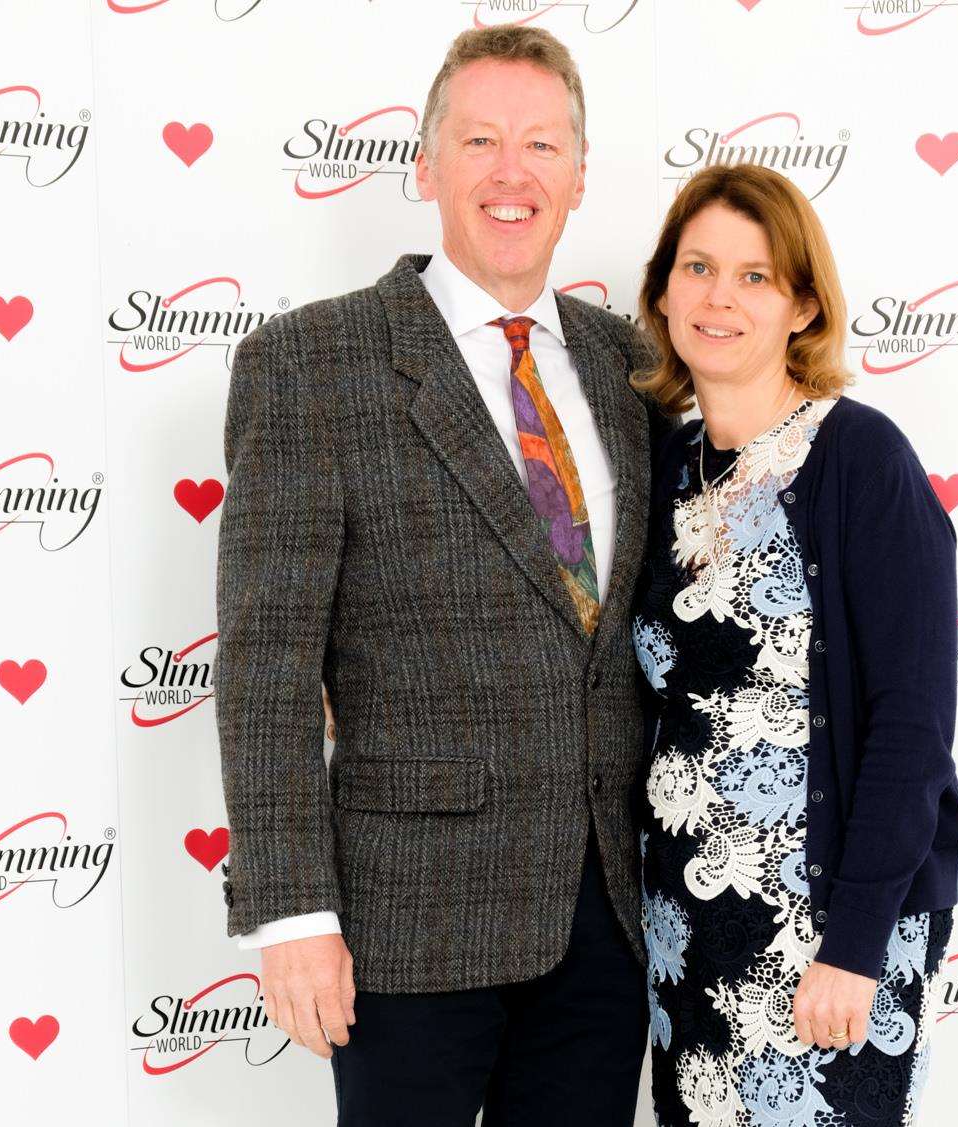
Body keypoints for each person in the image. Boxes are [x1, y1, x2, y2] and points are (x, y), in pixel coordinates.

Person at [213, 25, 671, 1126]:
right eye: (479, 141)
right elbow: (267, 662)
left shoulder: (630, 367)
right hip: (405, 920)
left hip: (604, 920)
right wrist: (291, 915)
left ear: (576, 174)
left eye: (540, 145)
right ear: (425, 166)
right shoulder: (312, 363)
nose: (511, 172)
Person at [628, 163, 958, 1126]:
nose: (718, 297)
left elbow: (911, 723)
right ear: (661, 290)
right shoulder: (660, 469)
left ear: (804, 307)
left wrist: (855, 944)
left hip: (826, 931)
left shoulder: (859, 457)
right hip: (685, 932)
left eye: (755, 276)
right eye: (697, 267)